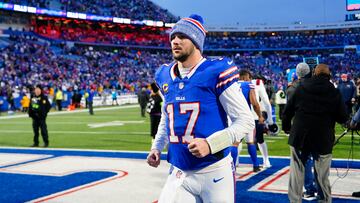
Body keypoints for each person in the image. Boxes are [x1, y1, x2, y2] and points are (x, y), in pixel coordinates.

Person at [146, 14, 254, 203]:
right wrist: (157, 146)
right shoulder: (164, 75)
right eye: (173, 37)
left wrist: (211, 144)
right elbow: (167, 116)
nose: (175, 41)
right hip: (179, 170)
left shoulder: (216, 71)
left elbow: (245, 121)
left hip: (215, 171)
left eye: (182, 36)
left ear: (196, 41)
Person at [282, 64, 348, 203]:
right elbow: (343, 117)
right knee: (322, 175)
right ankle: (324, 200)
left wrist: (287, 128)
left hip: (300, 136)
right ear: (329, 75)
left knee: (297, 172)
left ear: (314, 73)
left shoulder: (301, 87)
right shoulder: (334, 92)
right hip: (323, 138)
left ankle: (295, 201)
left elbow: (287, 112)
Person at [235, 69, 265, 172]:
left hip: (233, 117)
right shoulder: (249, 85)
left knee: (234, 143)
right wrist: (260, 116)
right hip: (246, 117)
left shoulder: (232, 85)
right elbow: (254, 103)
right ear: (246, 77)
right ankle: (256, 165)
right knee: (250, 142)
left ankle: (232, 167)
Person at [251, 74, 273, 168]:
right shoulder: (258, 83)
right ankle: (266, 160)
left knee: (237, 141)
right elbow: (266, 102)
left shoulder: (238, 83)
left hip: (243, 115)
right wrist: (270, 121)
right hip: (256, 115)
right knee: (260, 139)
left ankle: (236, 162)